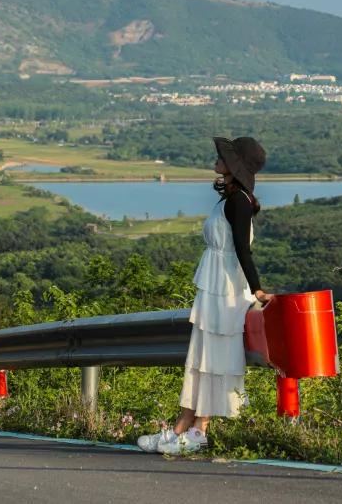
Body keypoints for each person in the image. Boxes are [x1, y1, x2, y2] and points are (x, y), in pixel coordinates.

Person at [138, 136, 271, 455]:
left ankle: (200, 430)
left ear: (235, 165)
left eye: (223, 156)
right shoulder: (229, 199)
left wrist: (257, 288)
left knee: (213, 359)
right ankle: (180, 428)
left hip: (225, 290)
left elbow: (242, 249)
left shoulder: (238, 201)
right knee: (200, 359)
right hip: (215, 286)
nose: (216, 159)